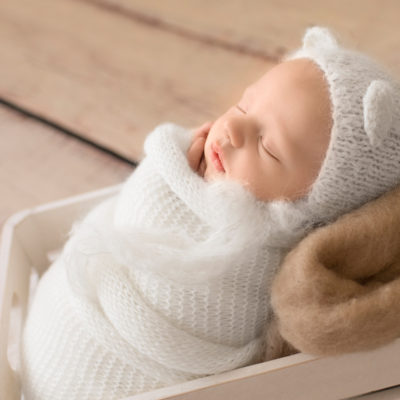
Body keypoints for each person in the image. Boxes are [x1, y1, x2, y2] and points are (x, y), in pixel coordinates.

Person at [21, 26, 400, 400]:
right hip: (54, 319)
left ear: (308, 207)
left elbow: (193, 310)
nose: (233, 127)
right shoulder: (195, 160)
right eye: (244, 105)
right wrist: (170, 171)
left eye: (268, 148)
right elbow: (125, 217)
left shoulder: (256, 266)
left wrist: (168, 182)